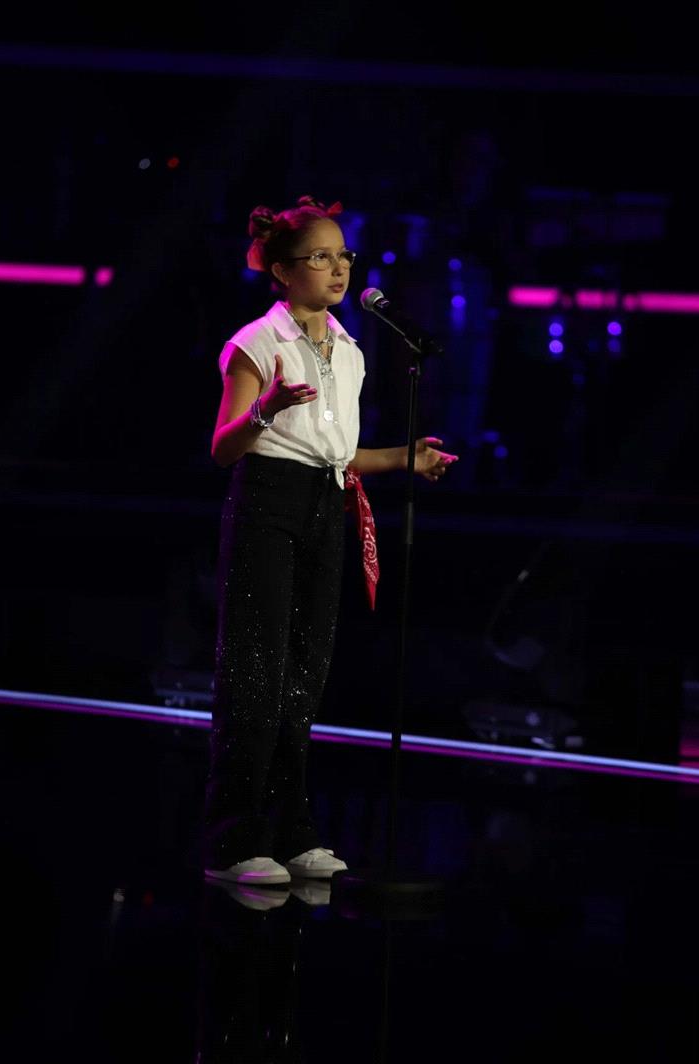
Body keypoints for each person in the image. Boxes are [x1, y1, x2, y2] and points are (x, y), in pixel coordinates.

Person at [204, 195, 457, 886]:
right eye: (321, 256)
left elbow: (338, 453)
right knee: (256, 670)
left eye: (344, 254)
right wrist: (265, 408)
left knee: (304, 673)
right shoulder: (257, 344)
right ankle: (232, 838)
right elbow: (224, 447)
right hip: (268, 501)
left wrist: (406, 457)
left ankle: (291, 830)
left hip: (326, 502)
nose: (339, 268)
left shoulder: (349, 349)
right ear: (282, 271)